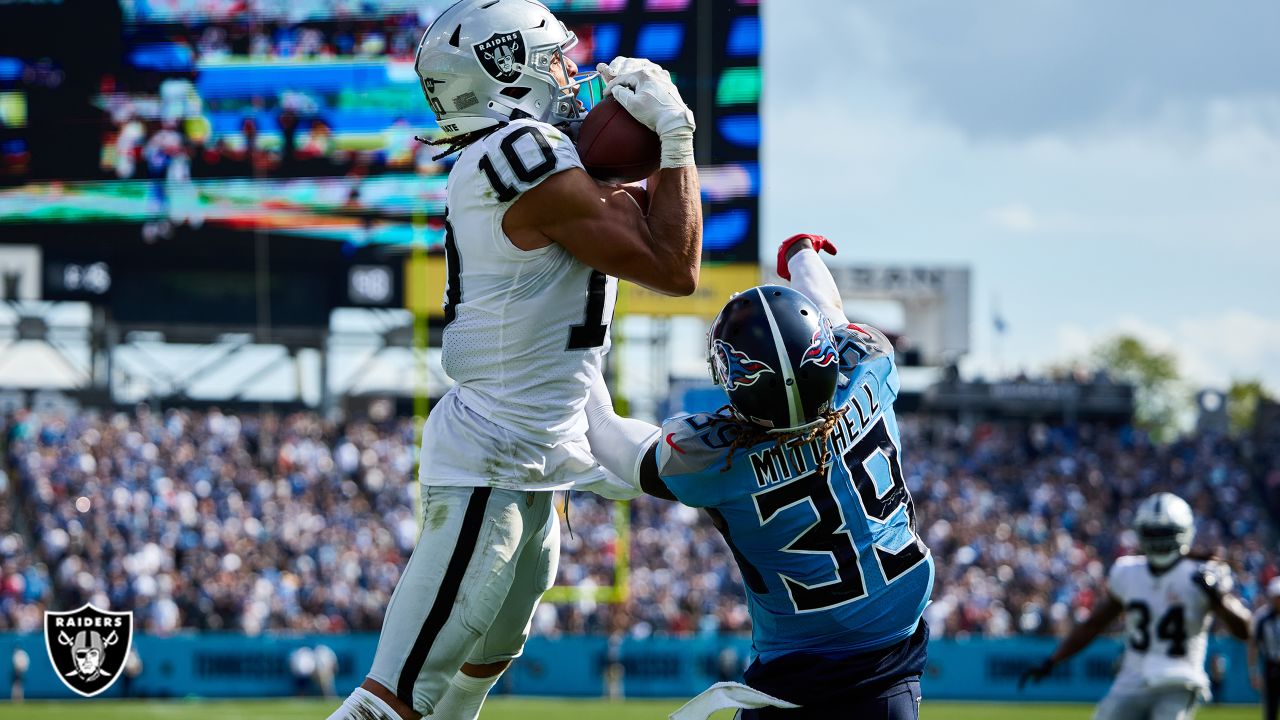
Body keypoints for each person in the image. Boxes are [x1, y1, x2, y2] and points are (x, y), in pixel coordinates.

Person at [328, 0, 702, 718]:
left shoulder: (533, 157)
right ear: (507, 67)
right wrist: (675, 137)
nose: (571, 73)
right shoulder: (518, 154)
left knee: (479, 669)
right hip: (492, 460)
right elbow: (674, 265)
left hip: (534, 454)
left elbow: (651, 234)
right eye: (555, 57)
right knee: (396, 699)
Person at [584, 234, 935, 718]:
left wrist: (571, 348)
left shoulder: (719, 459)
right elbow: (830, 312)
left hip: (791, 674)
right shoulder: (869, 367)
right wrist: (800, 254)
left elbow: (608, 437)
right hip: (890, 663)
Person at [1020, 492, 1253, 719]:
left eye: (1165, 533)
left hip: (1179, 680)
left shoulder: (1204, 573)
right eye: (1153, 532)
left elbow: (1245, 630)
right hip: (1132, 678)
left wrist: (1219, 598)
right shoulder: (1128, 571)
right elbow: (1094, 624)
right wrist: (1053, 660)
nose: (1159, 539)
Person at [1251, 577, 1280, 720]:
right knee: (1271, 708)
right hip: (1271, 665)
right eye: (1276, 597)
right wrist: (1254, 671)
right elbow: (1253, 645)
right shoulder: (1262, 617)